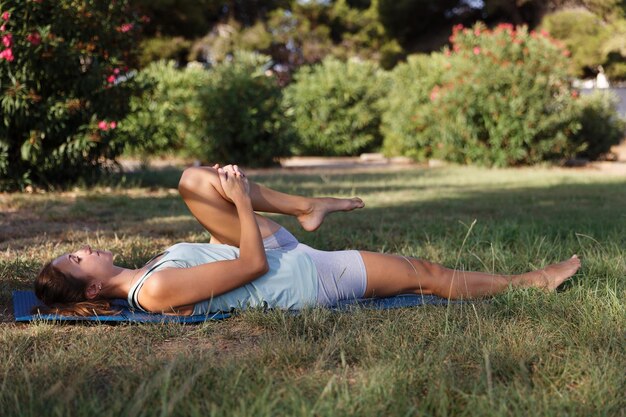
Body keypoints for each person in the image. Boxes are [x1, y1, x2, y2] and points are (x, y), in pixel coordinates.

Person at [34, 164, 581, 317]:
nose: (82, 248)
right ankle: (534, 282)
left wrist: (228, 195)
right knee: (426, 275)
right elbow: (248, 267)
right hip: (301, 278)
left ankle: (306, 206)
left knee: (192, 180)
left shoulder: (148, 269)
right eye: (76, 259)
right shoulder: (150, 293)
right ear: (93, 286)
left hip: (273, 255)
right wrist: (242, 201)